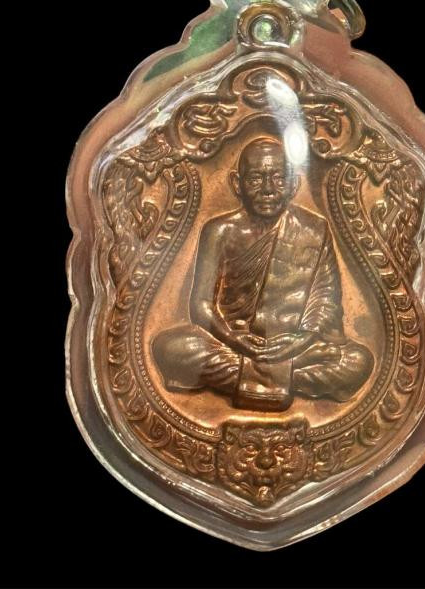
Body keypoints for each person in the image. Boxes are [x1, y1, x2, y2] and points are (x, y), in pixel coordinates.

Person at [152, 137, 373, 411]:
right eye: (256, 179)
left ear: (293, 184)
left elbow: (326, 300)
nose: (268, 189)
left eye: (278, 179)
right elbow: (201, 305)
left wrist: (300, 340)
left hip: (293, 343)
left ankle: (259, 374)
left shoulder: (314, 229)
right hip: (232, 342)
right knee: (171, 348)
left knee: (357, 362)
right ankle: (287, 375)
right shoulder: (220, 231)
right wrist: (235, 339)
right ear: (237, 184)